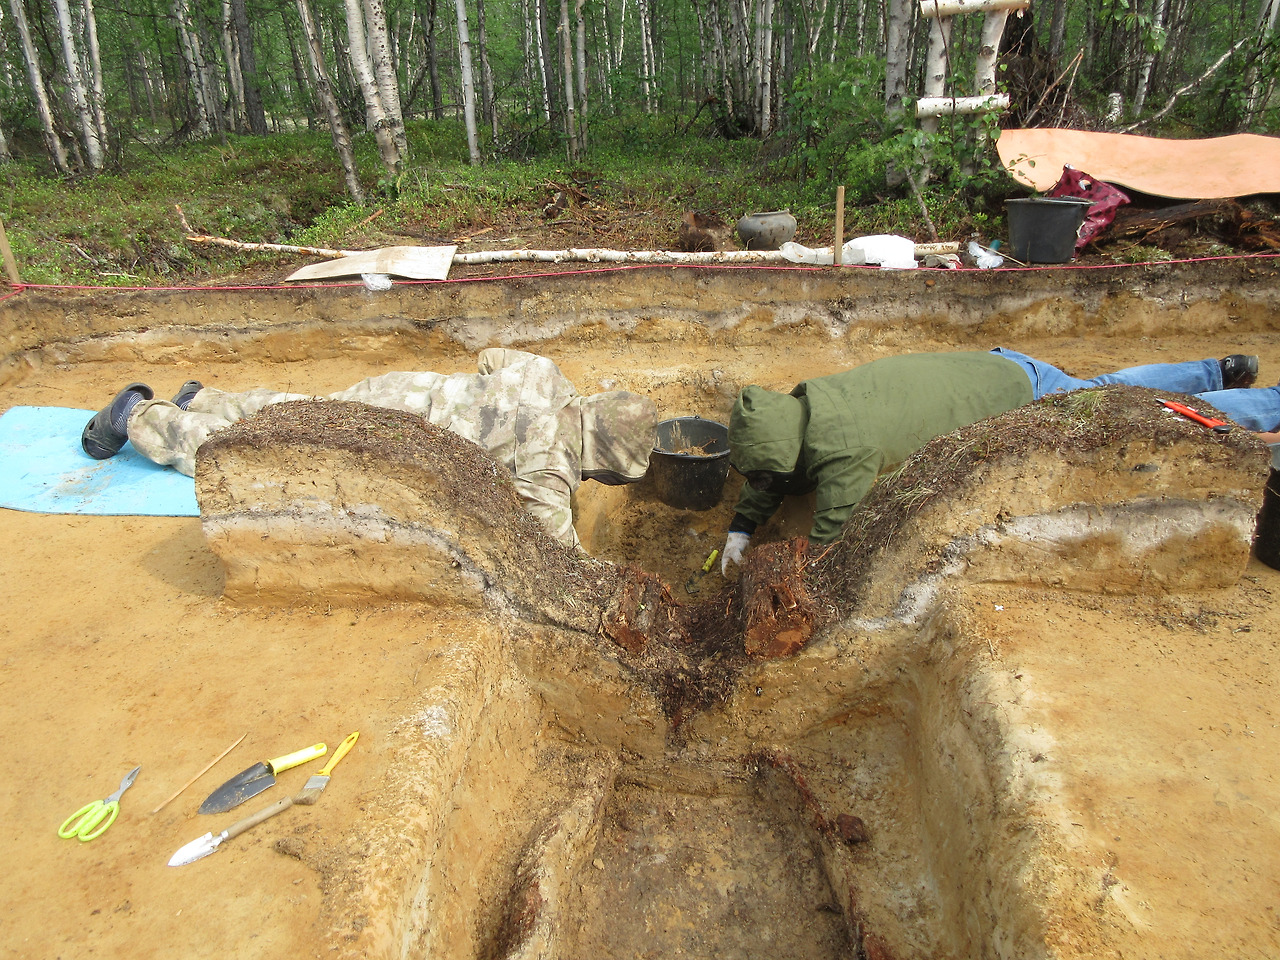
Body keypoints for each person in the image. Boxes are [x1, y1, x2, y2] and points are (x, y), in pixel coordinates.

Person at [720, 349, 1276, 574]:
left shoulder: (845, 454)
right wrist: (742, 528)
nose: (768, 482)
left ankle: (1269, 403)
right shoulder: (808, 401)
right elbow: (774, 457)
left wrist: (789, 580)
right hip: (999, 366)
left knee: (1135, 415)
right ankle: (1218, 370)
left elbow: (830, 543)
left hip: (1019, 400)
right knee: (1105, 388)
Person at [81, 349, 657, 551]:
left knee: (296, 405)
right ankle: (143, 417)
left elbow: (492, 359)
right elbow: (557, 553)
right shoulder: (547, 468)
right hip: (387, 438)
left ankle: (202, 398)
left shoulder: (548, 377)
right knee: (271, 452)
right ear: (602, 461)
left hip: (398, 390)